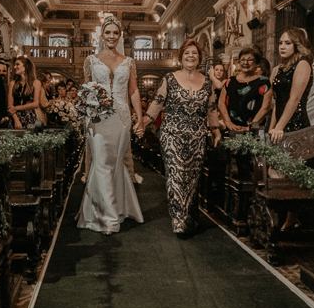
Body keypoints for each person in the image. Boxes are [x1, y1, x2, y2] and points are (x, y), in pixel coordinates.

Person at [137, 39, 220, 238]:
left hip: (198, 137)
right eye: (187, 53)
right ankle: (179, 221)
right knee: (176, 176)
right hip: (172, 135)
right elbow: (157, 103)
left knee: (192, 179)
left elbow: (211, 110)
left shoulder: (207, 83)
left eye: (194, 53)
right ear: (181, 57)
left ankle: (191, 215)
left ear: (199, 58)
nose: (190, 56)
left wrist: (216, 131)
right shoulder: (170, 78)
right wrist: (143, 123)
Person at [78, 15, 143, 234]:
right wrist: (86, 111)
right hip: (97, 118)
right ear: (101, 35)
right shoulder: (91, 60)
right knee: (102, 162)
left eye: (115, 33)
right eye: (108, 33)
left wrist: (140, 118)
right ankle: (108, 217)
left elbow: (133, 91)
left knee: (116, 164)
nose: (112, 36)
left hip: (122, 117)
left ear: (120, 36)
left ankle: (120, 207)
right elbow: (85, 90)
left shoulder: (128, 61)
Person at [270, 28, 313, 144]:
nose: (282, 47)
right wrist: (271, 128)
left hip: (295, 123)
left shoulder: (302, 64)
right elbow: (278, 100)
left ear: (297, 45)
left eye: (287, 43)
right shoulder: (282, 68)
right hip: (280, 124)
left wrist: (279, 127)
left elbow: (294, 99)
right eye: (280, 43)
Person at [219, 47, 272, 132]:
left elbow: (266, 107)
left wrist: (251, 127)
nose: (245, 63)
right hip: (232, 129)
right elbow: (221, 103)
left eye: (250, 60)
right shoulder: (231, 81)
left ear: (257, 63)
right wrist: (228, 123)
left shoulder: (264, 82)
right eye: (242, 60)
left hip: (254, 130)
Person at [8, 55, 46, 129]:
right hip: (14, 117)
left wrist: (16, 108)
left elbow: (36, 104)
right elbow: (10, 105)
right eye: (15, 65)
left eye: (17, 64)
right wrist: (16, 120)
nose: (15, 67)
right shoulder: (13, 83)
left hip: (29, 117)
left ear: (26, 66)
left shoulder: (36, 83)